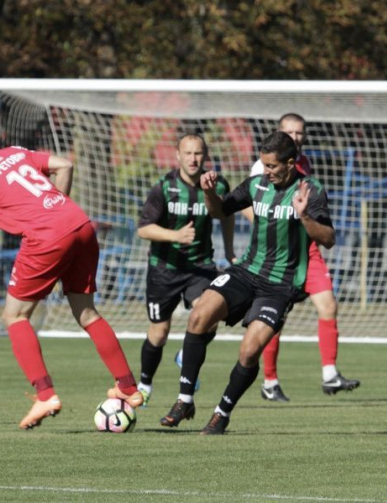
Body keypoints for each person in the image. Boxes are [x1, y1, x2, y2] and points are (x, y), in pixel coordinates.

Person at [0, 144, 143, 430]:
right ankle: (127, 386)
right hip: (79, 224)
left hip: (46, 237)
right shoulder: (11, 152)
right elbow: (65, 165)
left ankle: (45, 396)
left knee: (14, 316)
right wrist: (56, 209)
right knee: (87, 313)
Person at [160, 131, 335, 435]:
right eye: (263, 164)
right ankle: (184, 400)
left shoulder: (311, 189)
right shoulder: (256, 185)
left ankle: (221, 413)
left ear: (290, 163)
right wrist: (210, 192)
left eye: (271, 166)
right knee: (200, 314)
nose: (265, 171)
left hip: (280, 285)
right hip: (246, 270)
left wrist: (304, 216)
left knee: (249, 350)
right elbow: (219, 211)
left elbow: (329, 239)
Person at [247, 114, 359, 401]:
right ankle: (269, 381)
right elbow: (248, 207)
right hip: (281, 255)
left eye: (299, 133)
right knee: (276, 320)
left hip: (308, 251)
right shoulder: (263, 168)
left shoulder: (304, 166)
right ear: (279, 134)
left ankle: (329, 374)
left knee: (328, 304)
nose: (295, 137)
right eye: (289, 132)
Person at [136, 133, 235, 406]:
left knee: (212, 316)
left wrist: (229, 250)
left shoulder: (217, 184)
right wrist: (174, 236)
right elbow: (144, 228)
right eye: (188, 153)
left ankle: (184, 355)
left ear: (206, 156)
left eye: (198, 153)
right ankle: (144, 385)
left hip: (200, 267)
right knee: (159, 332)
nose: (193, 159)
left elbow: (226, 215)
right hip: (164, 269)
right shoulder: (164, 188)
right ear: (177, 155)